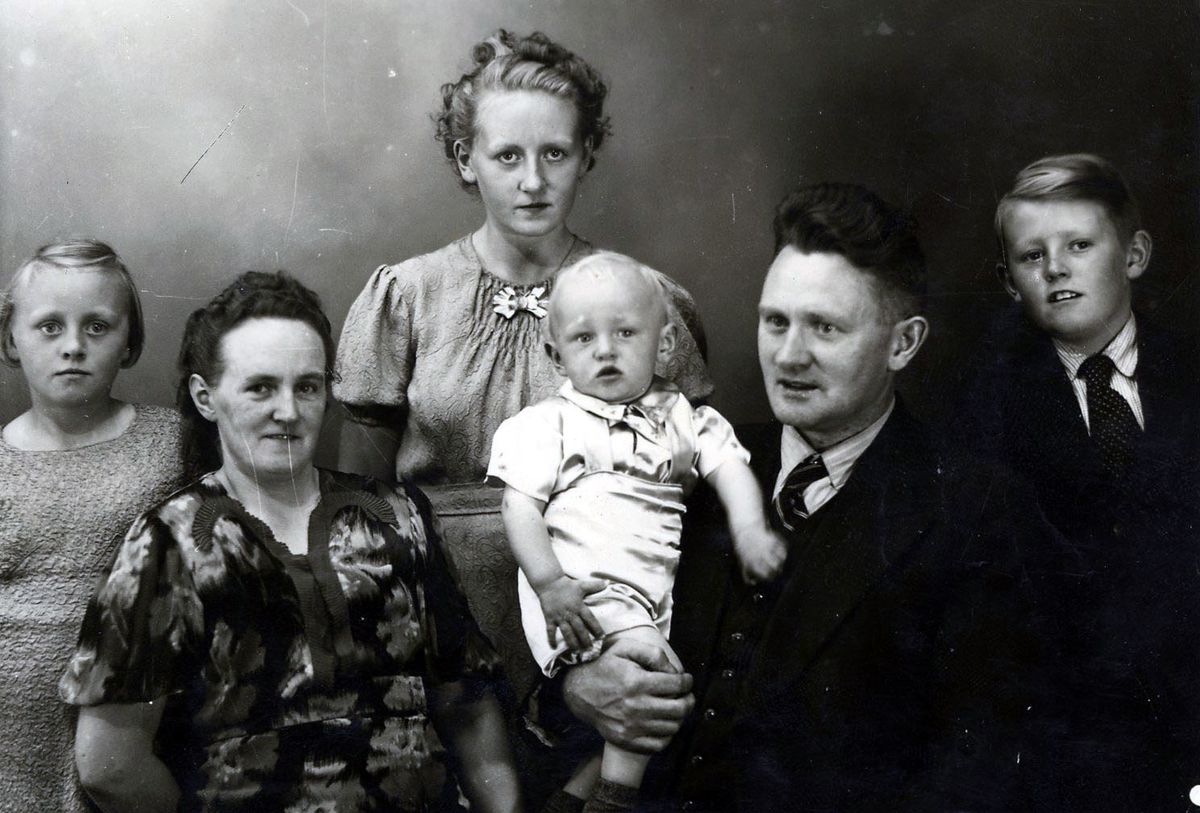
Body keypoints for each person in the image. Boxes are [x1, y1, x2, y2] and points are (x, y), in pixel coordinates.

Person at [555, 183, 1053, 812]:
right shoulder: (690, 461)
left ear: (903, 343)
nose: (789, 356)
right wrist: (578, 686)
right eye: (776, 322)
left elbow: (974, 771)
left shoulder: (976, 509)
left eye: (825, 327)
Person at [60, 271, 521, 813]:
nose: (289, 411)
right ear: (206, 397)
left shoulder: (401, 516)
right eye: (260, 387)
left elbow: (468, 709)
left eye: (307, 386)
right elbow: (109, 764)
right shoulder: (170, 541)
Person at [334, 29, 712, 486]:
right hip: (433, 536)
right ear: (466, 160)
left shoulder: (641, 298)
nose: (533, 181)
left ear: (585, 155)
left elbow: (688, 481)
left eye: (555, 153)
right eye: (508, 156)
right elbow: (363, 503)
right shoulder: (408, 297)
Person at [487, 253, 782, 812]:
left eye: (625, 333)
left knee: (655, 695)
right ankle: (614, 801)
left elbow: (730, 468)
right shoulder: (549, 424)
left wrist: (749, 529)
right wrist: (550, 584)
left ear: (664, 345)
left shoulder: (684, 418)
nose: (605, 350)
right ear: (556, 355)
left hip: (648, 591)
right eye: (583, 338)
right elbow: (518, 505)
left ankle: (573, 796)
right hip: (581, 589)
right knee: (655, 679)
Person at [957, 153, 1200, 809]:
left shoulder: (1190, 371)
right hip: (1067, 731)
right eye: (1031, 256)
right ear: (1009, 282)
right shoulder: (987, 405)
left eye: (1078, 245)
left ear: (1134, 255)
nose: (1055, 268)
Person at [0, 240, 186, 813]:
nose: (73, 346)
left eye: (98, 326)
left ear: (129, 341)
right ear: (11, 338)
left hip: (135, 724)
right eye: (49, 327)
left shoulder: (171, 445)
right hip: (12, 737)